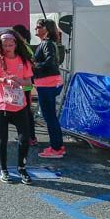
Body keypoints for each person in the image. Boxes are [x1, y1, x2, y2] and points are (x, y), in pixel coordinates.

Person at [0, 30, 34, 184]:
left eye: (10, 45)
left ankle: (21, 168)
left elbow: (29, 83)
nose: (7, 48)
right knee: (3, 137)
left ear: (16, 44)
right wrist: (5, 80)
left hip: (19, 104)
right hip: (0, 105)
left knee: (24, 138)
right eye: (5, 45)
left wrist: (19, 80)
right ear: (0, 45)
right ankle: (4, 170)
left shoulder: (23, 60)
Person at [33, 19, 66, 158]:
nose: (35, 28)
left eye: (39, 26)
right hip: (48, 83)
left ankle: (56, 148)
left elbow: (51, 62)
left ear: (46, 29)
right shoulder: (48, 43)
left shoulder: (47, 43)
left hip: (48, 84)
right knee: (50, 116)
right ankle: (58, 145)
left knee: (50, 116)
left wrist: (34, 65)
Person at [12, 24, 38, 149]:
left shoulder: (25, 48)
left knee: (26, 113)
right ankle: (26, 135)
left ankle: (31, 137)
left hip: (25, 86)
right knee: (23, 112)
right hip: (22, 85)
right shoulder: (25, 47)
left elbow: (29, 66)